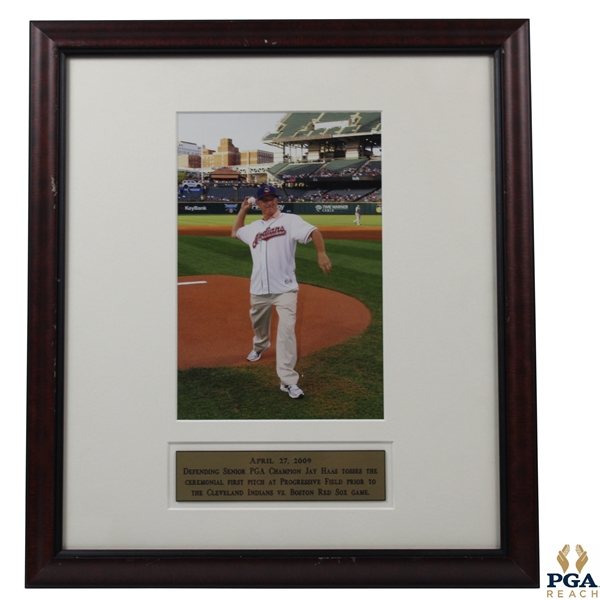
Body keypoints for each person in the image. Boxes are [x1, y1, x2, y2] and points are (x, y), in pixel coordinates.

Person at [231, 184, 332, 399]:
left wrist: (321, 253)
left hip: (285, 289)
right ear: (258, 203)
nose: (270, 202)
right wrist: (243, 210)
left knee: (287, 332)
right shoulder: (253, 228)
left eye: (272, 198)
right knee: (259, 325)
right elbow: (235, 232)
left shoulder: (290, 221)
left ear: (277, 200)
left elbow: (314, 231)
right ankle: (260, 345)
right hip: (259, 289)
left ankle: (287, 381)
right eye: (265, 199)